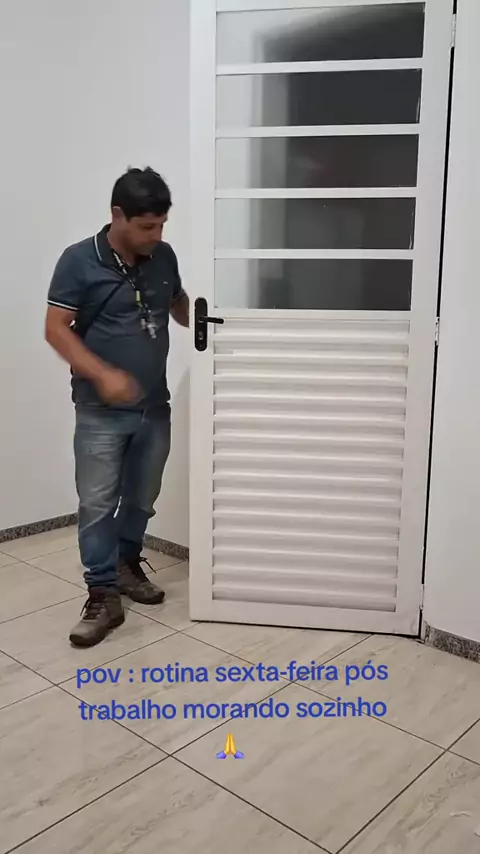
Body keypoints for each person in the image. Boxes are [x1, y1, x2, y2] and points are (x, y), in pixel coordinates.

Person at [45, 167, 189, 647]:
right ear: (117, 215)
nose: (157, 235)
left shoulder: (163, 255)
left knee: (143, 499)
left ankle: (126, 565)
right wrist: (103, 374)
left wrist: (205, 315)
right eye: (147, 226)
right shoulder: (78, 260)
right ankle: (101, 593)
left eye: (162, 225)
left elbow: (177, 301)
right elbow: (55, 329)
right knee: (97, 505)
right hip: (99, 412)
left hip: (154, 407)